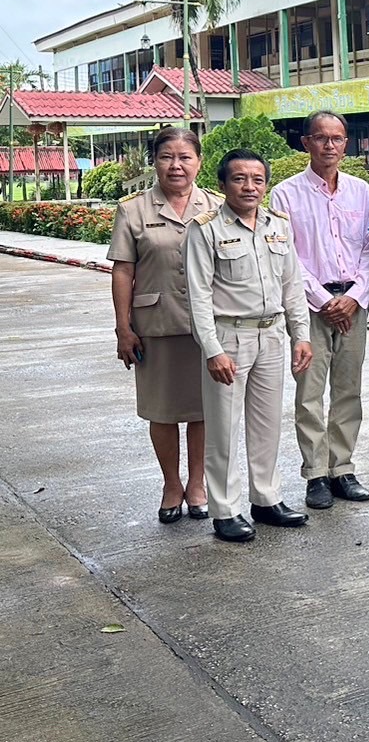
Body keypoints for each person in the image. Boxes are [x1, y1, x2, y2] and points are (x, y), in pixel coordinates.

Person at [185, 148, 313, 543]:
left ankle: (267, 498)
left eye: (257, 179)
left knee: (267, 422)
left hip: (271, 334)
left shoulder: (279, 225)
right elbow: (198, 295)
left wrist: (301, 335)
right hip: (229, 337)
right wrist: (212, 350)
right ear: (223, 185)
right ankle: (225, 510)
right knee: (223, 427)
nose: (249, 186)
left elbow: (293, 285)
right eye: (239, 179)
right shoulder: (205, 228)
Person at [108, 127, 220, 524]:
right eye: (167, 157)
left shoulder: (217, 206)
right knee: (163, 410)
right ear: (154, 161)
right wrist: (123, 328)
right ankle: (171, 483)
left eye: (185, 157)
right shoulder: (133, 210)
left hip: (209, 327)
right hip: (155, 324)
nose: (176, 166)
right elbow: (123, 270)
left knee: (205, 410)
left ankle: (198, 484)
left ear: (199, 162)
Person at [271, 110, 369, 511]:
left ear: (346, 144)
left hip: (355, 304)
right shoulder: (285, 194)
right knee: (310, 392)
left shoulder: (361, 192)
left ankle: (343, 468)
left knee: (349, 390)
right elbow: (287, 255)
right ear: (306, 143)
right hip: (308, 307)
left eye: (337, 138)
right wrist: (323, 300)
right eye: (320, 138)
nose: (329, 145)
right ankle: (315, 473)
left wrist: (354, 295)